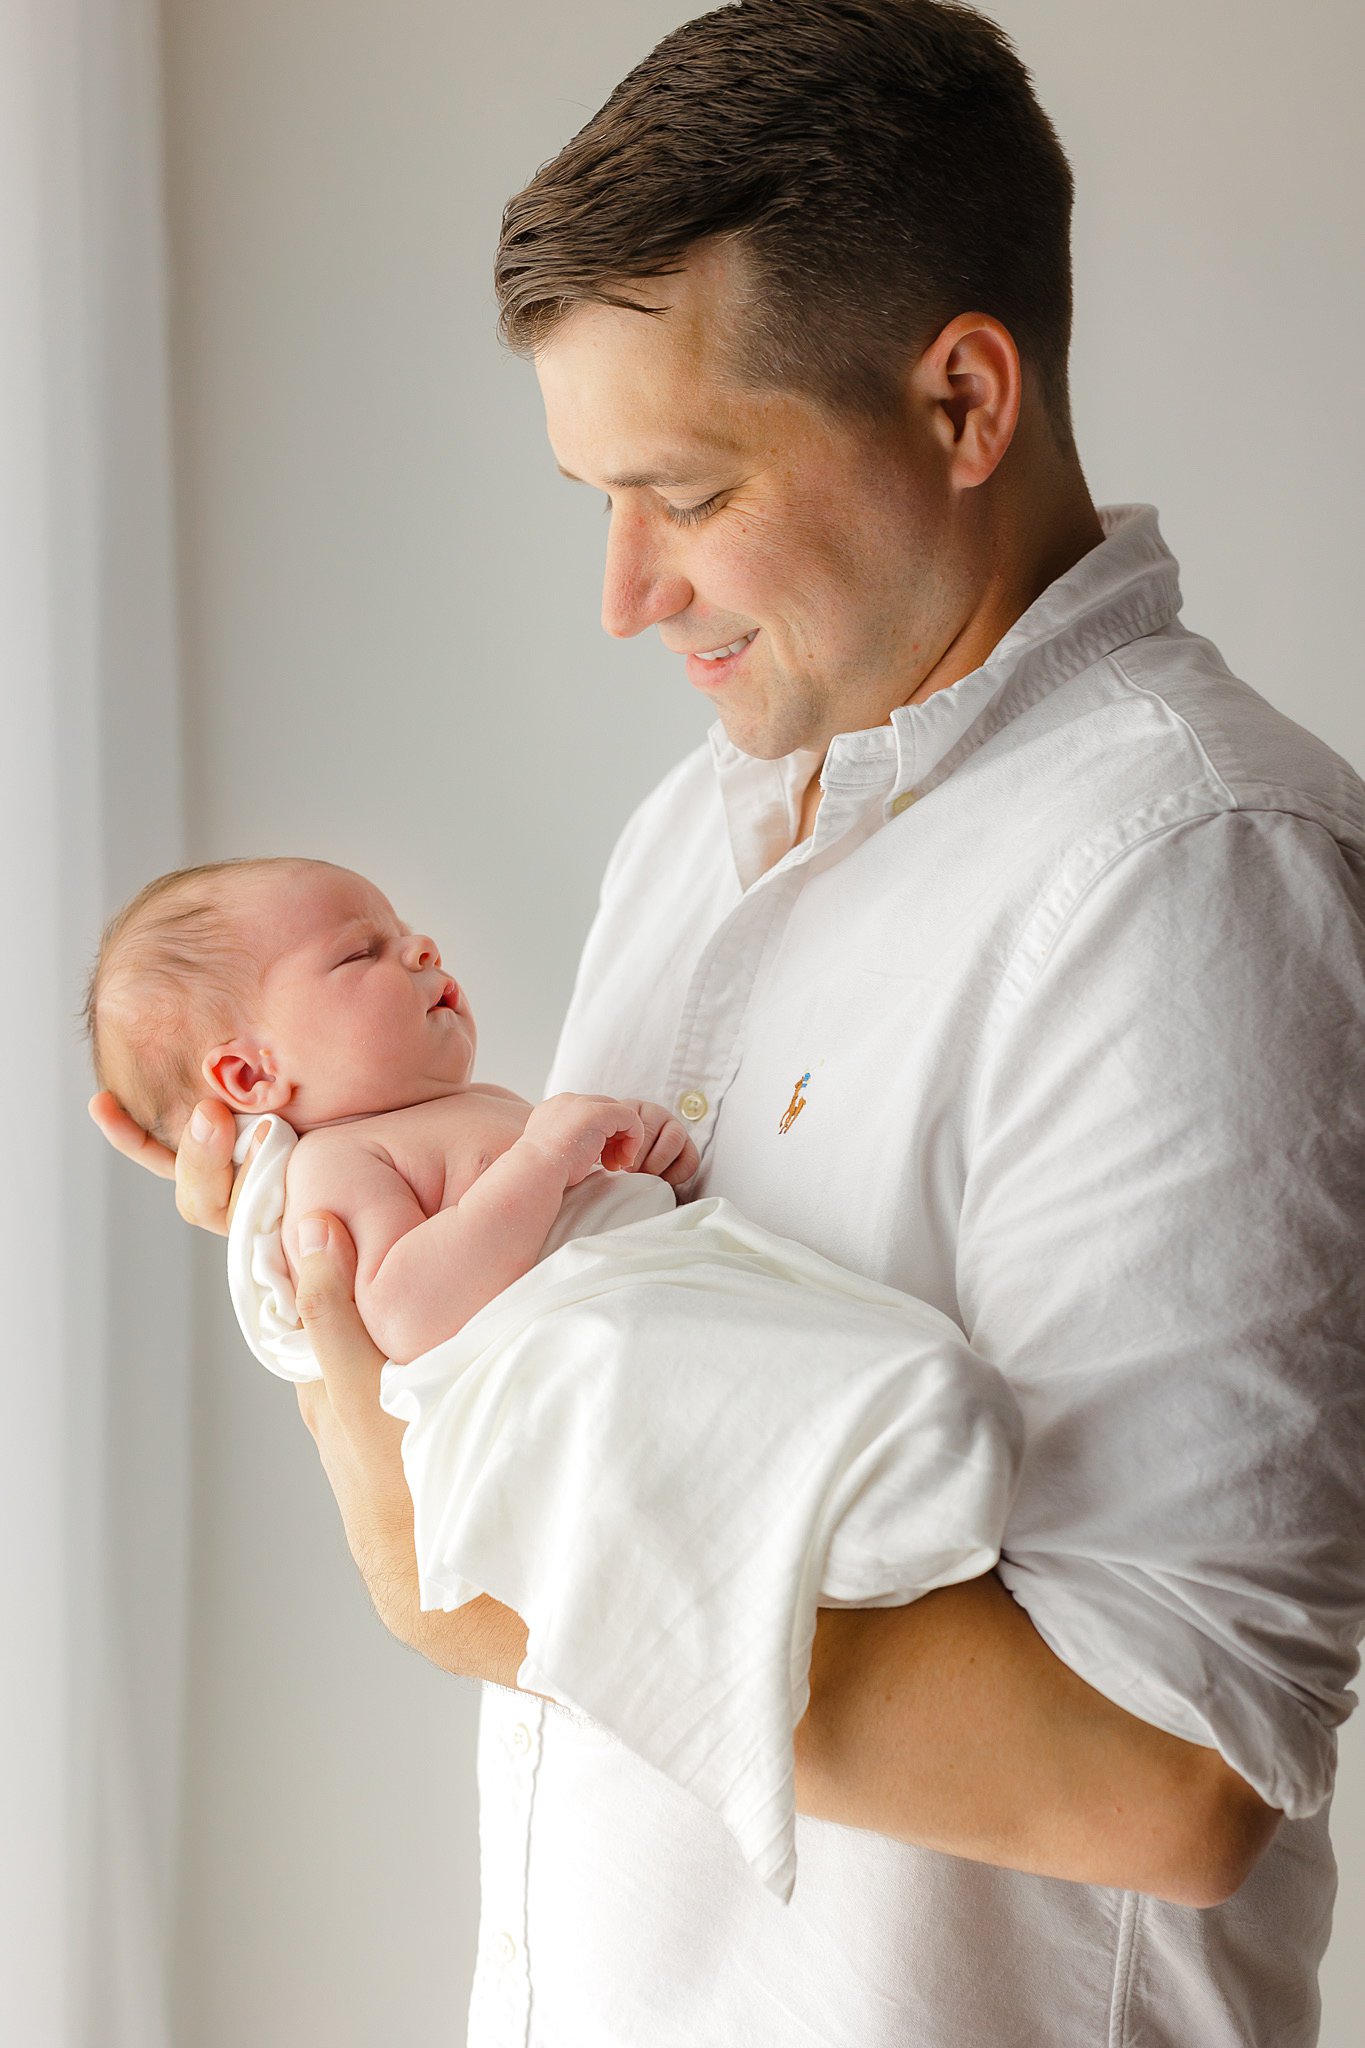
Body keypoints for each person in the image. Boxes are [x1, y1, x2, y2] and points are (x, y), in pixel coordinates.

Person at [92, 2, 1365, 2042]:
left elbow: (1174, 1776)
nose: (617, 591)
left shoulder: (1189, 871)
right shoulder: (690, 829)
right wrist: (301, 1209)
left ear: (960, 397)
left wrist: (483, 1595)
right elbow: (565, 1345)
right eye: (593, 492)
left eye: (678, 490)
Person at [84, 854, 694, 1364]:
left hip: (672, 1306)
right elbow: (407, 1313)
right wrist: (541, 1157)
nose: (422, 947)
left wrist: (636, 1143)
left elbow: (568, 1205)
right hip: (604, 1357)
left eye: (402, 929)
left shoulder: (469, 1107)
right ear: (252, 1074)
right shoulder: (332, 1167)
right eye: (360, 952)